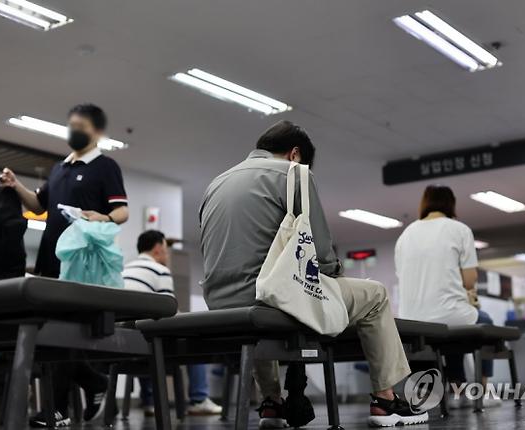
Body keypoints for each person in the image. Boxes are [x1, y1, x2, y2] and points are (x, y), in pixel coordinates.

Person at [199, 121, 425, 428]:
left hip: (219, 302)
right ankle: (386, 401)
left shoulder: (216, 183)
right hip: (271, 298)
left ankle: (272, 402)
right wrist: (335, 277)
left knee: (257, 298)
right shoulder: (294, 174)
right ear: (295, 154)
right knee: (375, 295)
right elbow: (319, 249)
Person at [0, 103, 129, 427]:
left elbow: (123, 211)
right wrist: (16, 186)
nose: (74, 130)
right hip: (50, 258)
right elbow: (38, 204)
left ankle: (57, 409)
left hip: (81, 262)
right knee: (53, 332)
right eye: (71, 125)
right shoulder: (59, 168)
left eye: (81, 125)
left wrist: (104, 216)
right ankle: (93, 383)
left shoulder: (104, 166)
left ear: (96, 131)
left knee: (66, 333)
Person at [394, 184, 499, 408]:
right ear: (451, 204)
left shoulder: (405, 235)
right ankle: (482, 391)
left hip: (411, 321)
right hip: (449, 315)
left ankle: (456, 389)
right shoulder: (459, 230)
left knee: (452, 332)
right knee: (483, 323)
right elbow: (469, 280)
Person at [122, 230, 222, 417]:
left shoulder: (125, 269)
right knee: (194, 342)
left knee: (142, 331)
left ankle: (150, 402)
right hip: (148, 345)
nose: (167, 255)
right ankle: (199, 400)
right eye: (166, 249)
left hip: (125, 344)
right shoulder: (159, 270)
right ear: (158, 248)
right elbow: (169, 311)